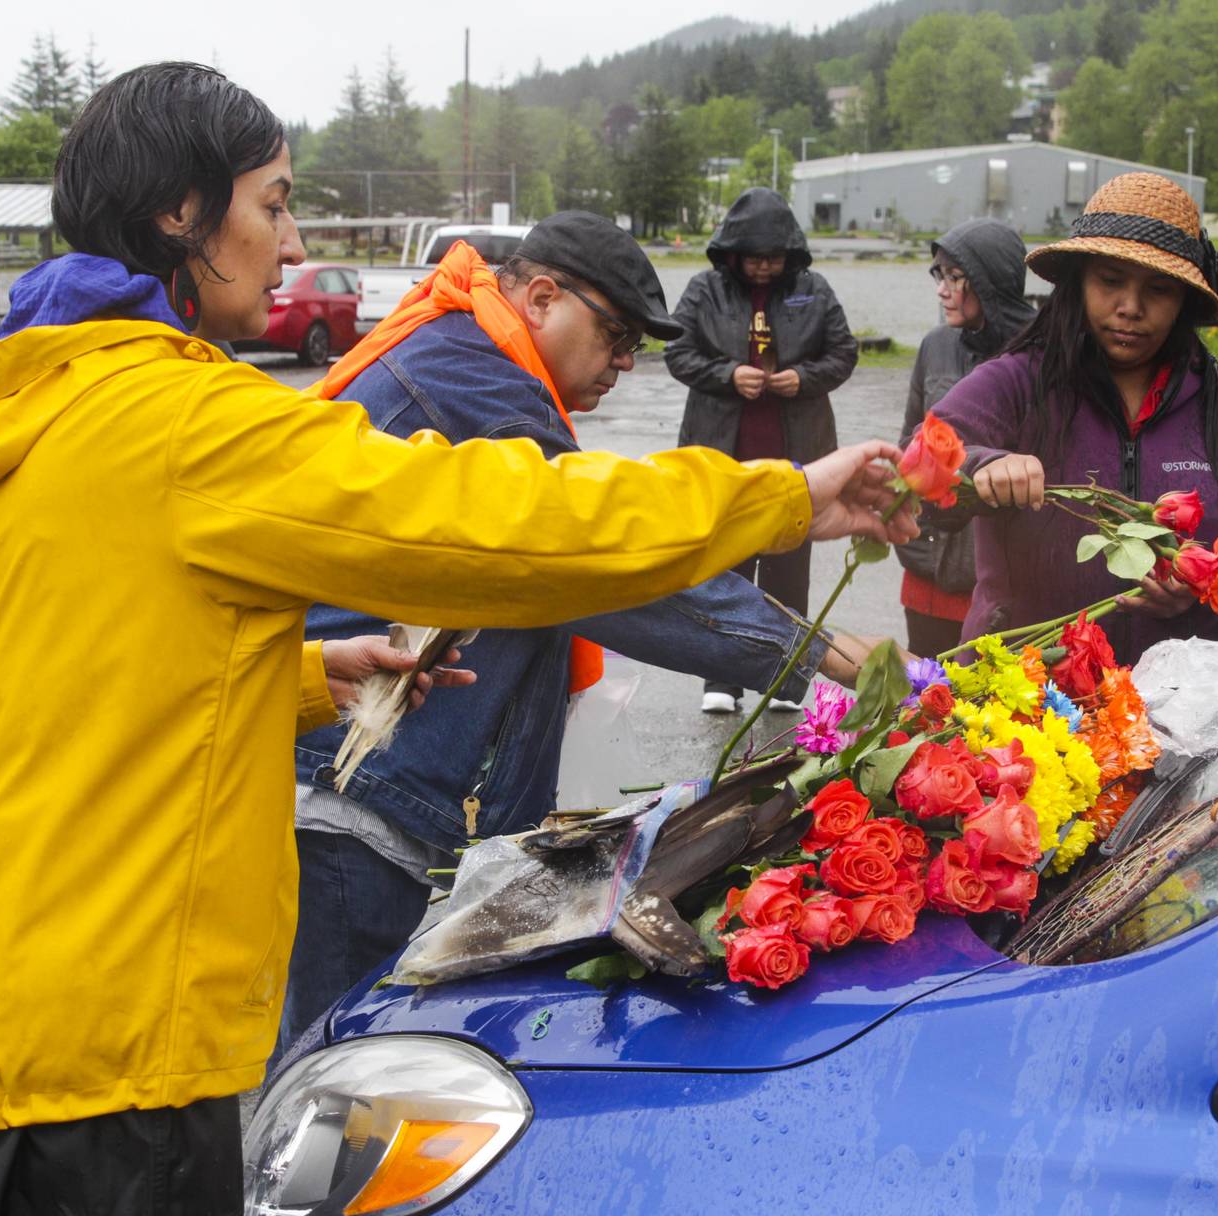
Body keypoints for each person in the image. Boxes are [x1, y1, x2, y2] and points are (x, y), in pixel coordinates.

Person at [0, 63, 909, 1216]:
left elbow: (68, 686)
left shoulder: (27, 425)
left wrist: (291, 678)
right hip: (119, 1060)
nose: (293, 241)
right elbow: (500, 525)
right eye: (273, 204)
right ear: (181, 215)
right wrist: (777, 500)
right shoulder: (185, 427)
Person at [276, 211, 885, 1062]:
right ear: (539, 297)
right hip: (364, 788)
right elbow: (605, 569)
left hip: (379, 784)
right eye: (615, 334)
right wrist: (834, 658)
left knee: (369, 1065)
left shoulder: (469, 355)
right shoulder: (469, 379)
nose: (626, 364)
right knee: (336, 1073)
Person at [932, 173, 1218, 664]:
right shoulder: (1016, 384)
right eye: (1110, 281)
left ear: (1183, 301)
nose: (1130, 308)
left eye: (1158, 289)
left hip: (1180, 711)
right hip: (1021, 705)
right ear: (1078, 282)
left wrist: (1209, 600)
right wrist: (981, 464)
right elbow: (919, 469)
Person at [667, 186, 858, 713]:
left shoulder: (814, 289)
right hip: (723, 453)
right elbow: (678, 352)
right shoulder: (705, 290)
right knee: (726, 565)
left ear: (790, 255)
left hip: (800, 454)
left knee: (789, 565)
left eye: (773, 258)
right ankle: (719, 680)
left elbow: (843, 353)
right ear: (733, 253)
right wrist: (727, 375)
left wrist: (804, 378)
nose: (764, 267)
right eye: (754, 257)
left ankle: (785, 679)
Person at [896, 220, 1037, 658]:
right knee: (928, 696)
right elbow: (908, 443)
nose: (942, 290)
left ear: (989, 281)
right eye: (939, 275)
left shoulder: (1038, 354)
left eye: (954, 277)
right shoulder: (935, 346)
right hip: (928, 562)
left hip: (999, 572)